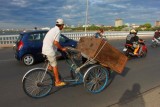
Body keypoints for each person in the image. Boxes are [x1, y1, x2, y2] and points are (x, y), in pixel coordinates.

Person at [42, 18, 67, 87]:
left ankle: (50, 67)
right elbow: (56, 42)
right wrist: (62, 48)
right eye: (63, 25)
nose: (63, 27)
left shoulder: (52, 29)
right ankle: (57, 82)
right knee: (55, 66)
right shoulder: (58, 31)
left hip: (45, 49)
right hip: (49, 50)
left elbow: (53, 42)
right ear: (61, 25)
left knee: (57, 55)